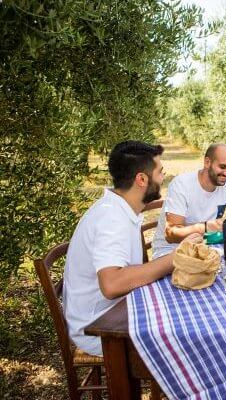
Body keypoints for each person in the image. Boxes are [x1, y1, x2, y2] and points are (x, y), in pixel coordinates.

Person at [63, 141, 177, 356]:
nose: (163, 177)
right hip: (99, 329)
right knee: (185, 337)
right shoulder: (111, 218)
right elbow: (112, 284)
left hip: (115, 313)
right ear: (141, 179)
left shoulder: (119, 208)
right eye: (160, 172)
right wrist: (175, 259)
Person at [152, 143, 226, 259]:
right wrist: (207, 227)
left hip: (203, 249)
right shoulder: (181, 185)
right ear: (207, 162)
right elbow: (171, 234)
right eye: (222, 167)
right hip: (171, 253)